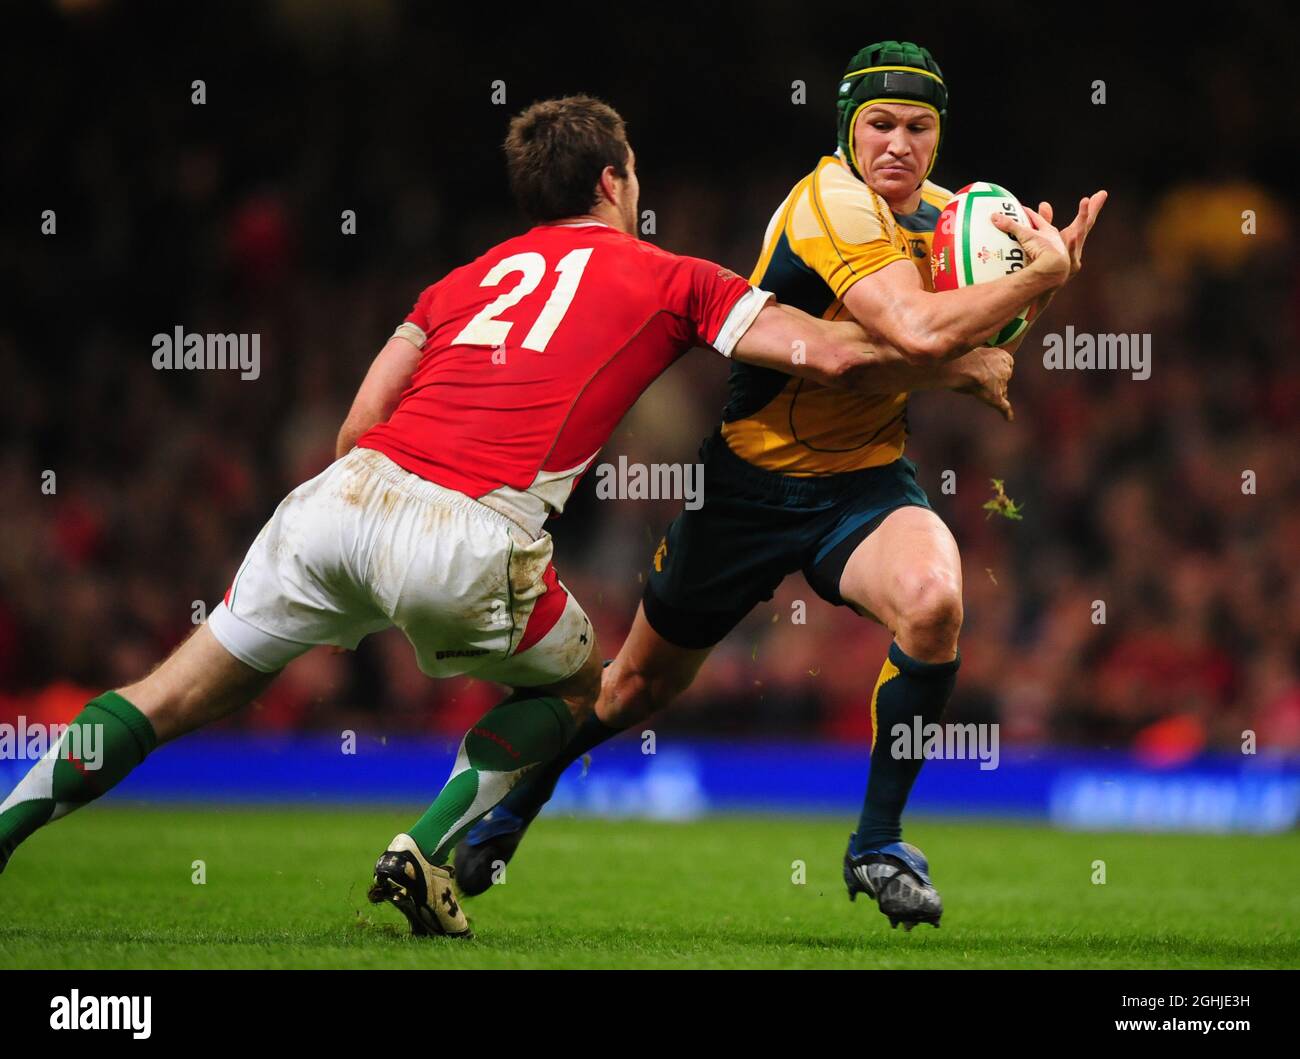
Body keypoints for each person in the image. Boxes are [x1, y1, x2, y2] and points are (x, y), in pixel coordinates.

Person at [0, 94, 1050, 938]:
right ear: (610, 181)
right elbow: (825, 350)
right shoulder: (668, 273)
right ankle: (426, 840)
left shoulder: (462, 280)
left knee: (168, 694)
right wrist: (963, 358)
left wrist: (369, 545)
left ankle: (9, 825)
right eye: (632, 176)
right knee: (577, 683)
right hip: (469, 532)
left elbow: (356, 425)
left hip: (332, 508)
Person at [456, 44, 1101, 932]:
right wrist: (1033, 282)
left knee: (936, 601)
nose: (899, 144)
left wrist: (1042, 285)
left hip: (865, 484)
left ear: (939, 135)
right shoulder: (831, 202)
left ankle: (878, 843)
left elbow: (986, 354)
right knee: (636, 687)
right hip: (748, 484)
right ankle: (510, 809)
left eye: (919, 127)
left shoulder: (959, 218)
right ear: (847, 128)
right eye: (879, 123)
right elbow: (919, 335)